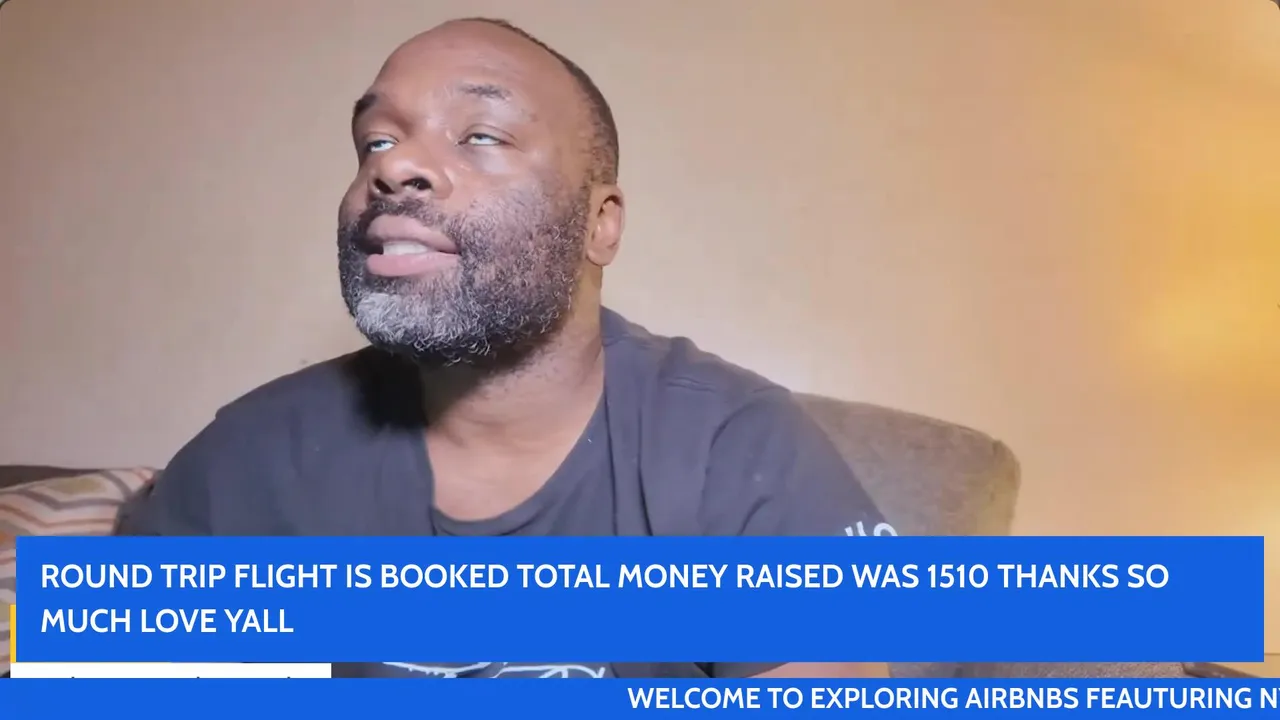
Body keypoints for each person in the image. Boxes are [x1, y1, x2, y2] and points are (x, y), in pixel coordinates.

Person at [117, 17, 894, 679]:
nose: (392, 166)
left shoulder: (737, 450)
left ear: (600, 224)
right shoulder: (250, 460)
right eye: (375, 140)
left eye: (481, 135)